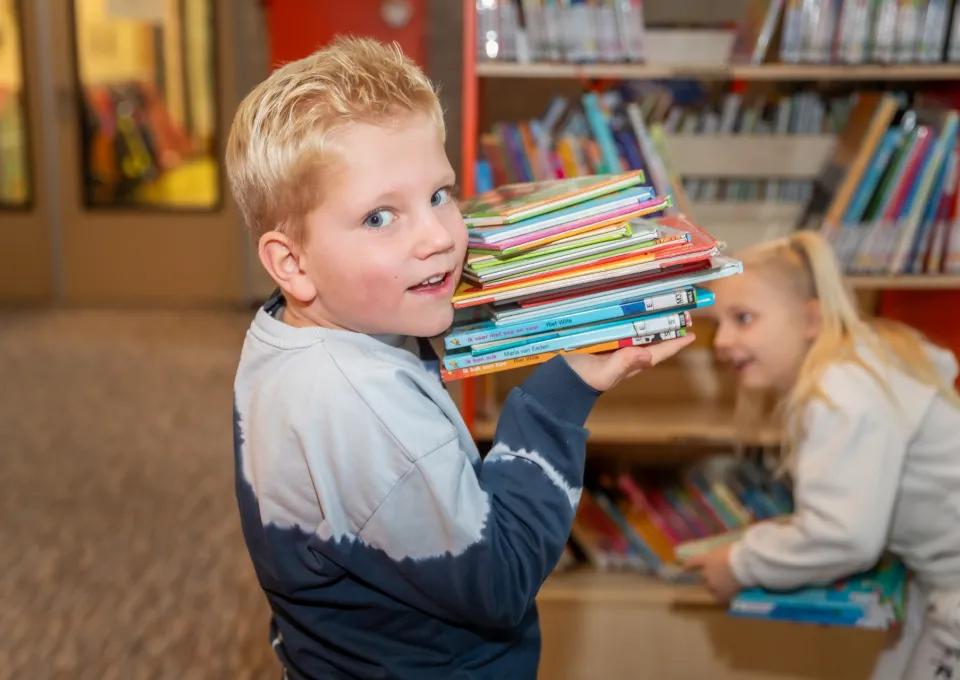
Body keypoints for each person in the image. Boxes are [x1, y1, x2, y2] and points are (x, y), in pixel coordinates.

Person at [224, 36, 694, 680]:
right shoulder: (365, 411)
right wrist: (563, 392)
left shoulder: (292, 335)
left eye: (440, 194)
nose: (438, 237)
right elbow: (498, 577)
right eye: (380, 217)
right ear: (292, 262)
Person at [684, 230, 960, 679]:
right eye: (718, 324)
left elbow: (844, 535)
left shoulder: (840, 391)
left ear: (811, 319)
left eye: (744, 318)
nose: (720, 342)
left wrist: (741, 563)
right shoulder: (862, 364)